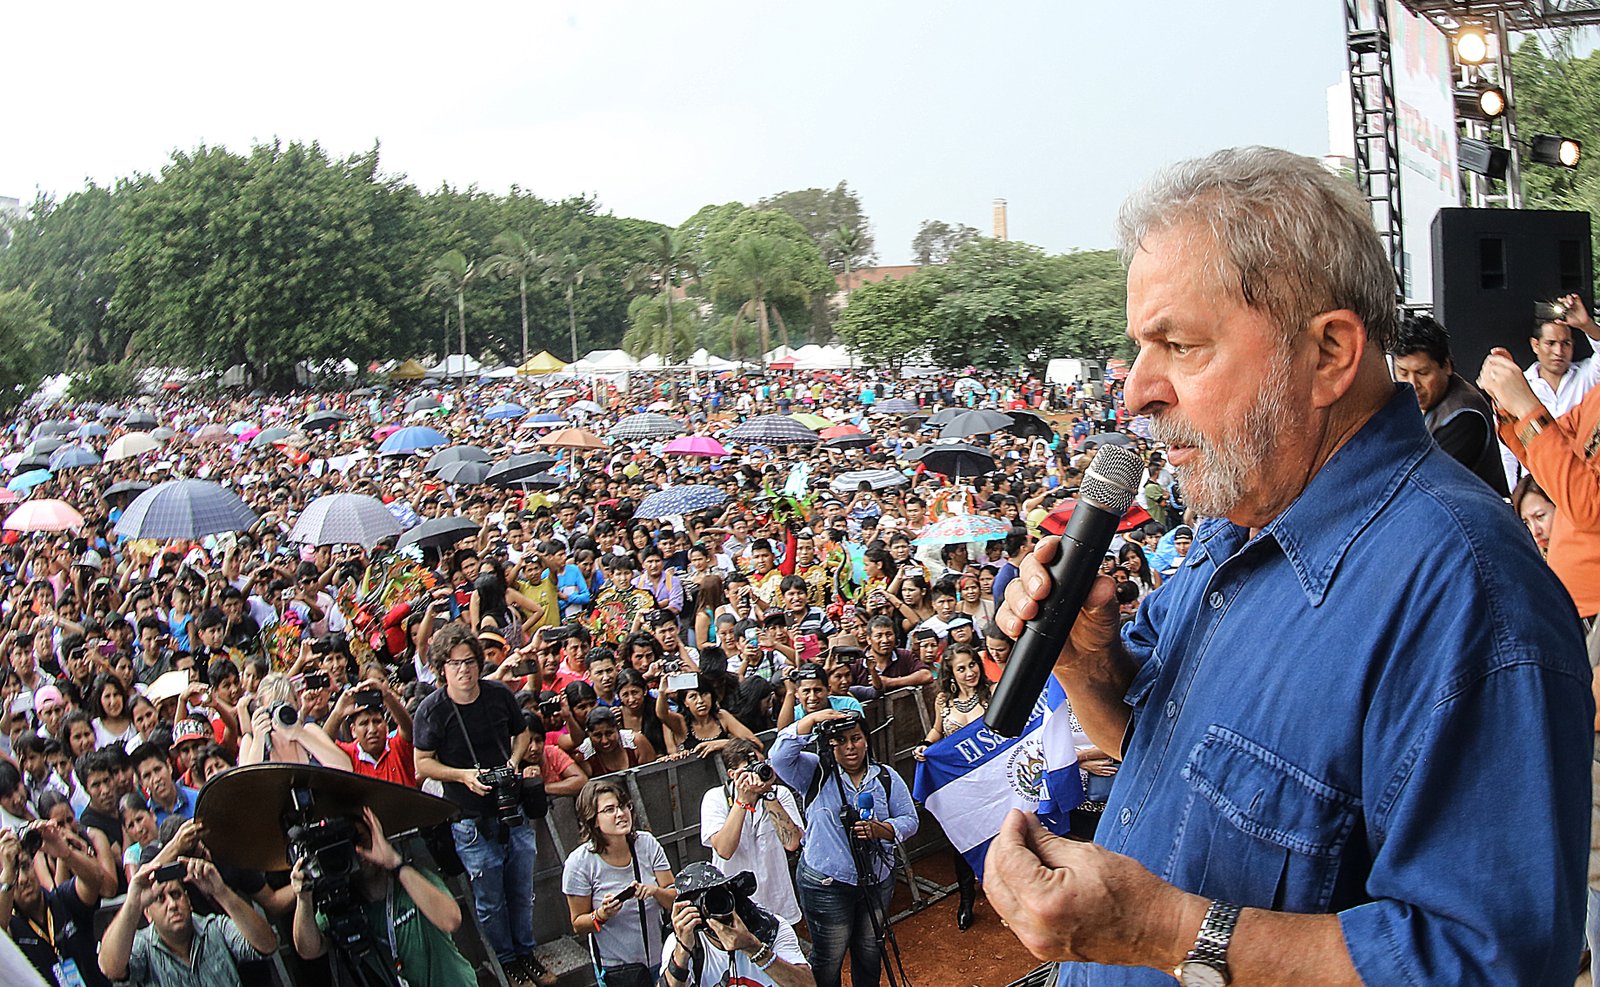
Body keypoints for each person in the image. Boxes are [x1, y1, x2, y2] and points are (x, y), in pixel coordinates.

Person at [990, 146, 1590, 986]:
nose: (1134, 390)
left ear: (1329, 354)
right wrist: (1087, 661)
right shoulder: (1236, 523)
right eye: (1139, 346)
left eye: (1180, 345)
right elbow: (1166, 749)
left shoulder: (1468, 600)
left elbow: (1488, 967)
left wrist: (1165, 932)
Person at [412, 623, 553, 986]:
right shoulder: (431, 709)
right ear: (442, 667)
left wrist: (513, 762)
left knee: (522, 889)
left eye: (470, 661)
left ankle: (527, 952)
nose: (464, 669)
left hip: (512, 809)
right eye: (456, 663)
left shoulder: (497, 694)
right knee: (490, 900)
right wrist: (462, 776)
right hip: (470, 821)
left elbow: (521, 732)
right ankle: (506, 961)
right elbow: (422, 762)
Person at [769, 709, 918, 987]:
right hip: (826, 884)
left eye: (856, 738)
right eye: (841, 740)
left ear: (866, 740)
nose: (850, 747)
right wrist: (812, 721)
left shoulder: (885, 776)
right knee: (829, 957)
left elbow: (910, 820)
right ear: (830, 744)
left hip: (876, 880)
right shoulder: (814, 771)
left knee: (870, 948)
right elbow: (778, 757)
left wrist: (882, 830)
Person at [290, 806, 474, 987]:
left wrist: (394, 862)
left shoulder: (411, 878)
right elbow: (309, 950)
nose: (359, 852)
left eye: (362, 840)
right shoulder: (342, 905)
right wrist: (304, 897)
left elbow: (451, 920)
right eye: (349, 846)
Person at [562, 777, 677, 987]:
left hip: (661, 958)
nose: (621, 813)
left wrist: (655, 892)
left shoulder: (647, 844)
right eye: (609, 809)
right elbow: (578, 924)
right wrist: (602, 915)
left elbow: (675, 898)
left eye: (624, 806)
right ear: (593, 819)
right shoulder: (579, 863)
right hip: (618, 969)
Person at [99, 856, 278, 987]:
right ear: (148, 913)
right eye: (160, 899)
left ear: (188, 901)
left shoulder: (214, 928)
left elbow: (267, 945)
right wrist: (133, 904)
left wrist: (221, 892)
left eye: (176, 895)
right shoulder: (143, 946)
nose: (172, 905)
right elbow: (110, 968)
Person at [912, 643, 990, 930]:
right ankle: (966, 900)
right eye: (961, 668)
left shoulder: (992, 694)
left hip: (990, 781)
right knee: (962, 841)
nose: (969, 672)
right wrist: (925, 745)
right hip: (959, 786)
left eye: (972, 665)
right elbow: (936, 730)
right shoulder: (943, 700)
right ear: (951, 673)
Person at [1387, 312, 1508, 495]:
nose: (1412, 384)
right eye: (1403, 373)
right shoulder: (1410, 403)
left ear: (1446, 366)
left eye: (1422, 373)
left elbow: (1420, 482)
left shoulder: (1464, 415)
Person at [699, 738, 804, 926]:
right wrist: (742, 802)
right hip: (734, 908)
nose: (758, 772)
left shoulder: (780, 794)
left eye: (761, 764)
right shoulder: (715, 798)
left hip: (777, 903)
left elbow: (792, 843)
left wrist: (768, 794)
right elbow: (724, 850)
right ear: (733, 774)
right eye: (750, 768)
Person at [660, 861, 814, 987]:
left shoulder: (772, 927)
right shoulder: (683, 942)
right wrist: (682, 951)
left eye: (720, 896)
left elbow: (808, 985)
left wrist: (754, 948)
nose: (717, 909)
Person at [1, 823, 116, 987]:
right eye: (14, 874)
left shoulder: (63, 899)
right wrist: (6, 874)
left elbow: (95, 880)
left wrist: (66, 853)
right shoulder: (10, 928)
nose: (23, 879)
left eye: (26, 867)